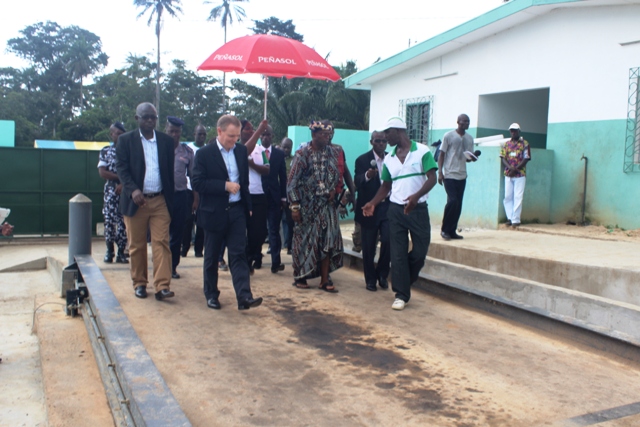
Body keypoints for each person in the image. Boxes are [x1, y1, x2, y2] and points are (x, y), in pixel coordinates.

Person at [362, 117, 438, 311]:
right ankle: (401, 294)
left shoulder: (422, 151)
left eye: (388, 133)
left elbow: (432, 178)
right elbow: (386, 186)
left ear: (398, 131)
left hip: (418, 209)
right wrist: (372, 203)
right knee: (397, 254)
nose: (385, 137)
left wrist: (417, 196)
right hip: (395, 210)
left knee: (420, 252)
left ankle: (405, 280)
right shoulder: (389, 159)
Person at [191, 115, 263, 311]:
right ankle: (212, 294)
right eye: (231, 136)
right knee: (212, 255)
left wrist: (247, 206)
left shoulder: (240, 151)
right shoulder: (205, 154)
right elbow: (197, 182)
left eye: (237, 136)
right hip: (214, 212)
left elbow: (244, 180)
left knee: (238, 254)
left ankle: (244, 297)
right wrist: (224, 186)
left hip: (237, 210)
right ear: (219, 131)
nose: (234, 140)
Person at [116, 102, 175, 301]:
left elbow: (168, 172)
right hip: (136, 202)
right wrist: (132, 190)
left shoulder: (166, 141)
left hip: (159, 200)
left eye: (153, 117)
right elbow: (121, 169)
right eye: (145, 117)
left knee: (161, 242)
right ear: (137, 119)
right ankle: (140, 283)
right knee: (137, 245)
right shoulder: (126, 140)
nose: (150, 120)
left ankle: (162, 286)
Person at [288, 121, 343, 292]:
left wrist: (334, 189)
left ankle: (324, 280)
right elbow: (292, 182)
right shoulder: (302, 154)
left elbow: (337, 174)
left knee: (328, 241)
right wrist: (295, 206)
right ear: (313, 135)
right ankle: (301, 275)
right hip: (307, 206)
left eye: (328, 134)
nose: (327, 137)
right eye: (323, 134)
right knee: (304, 241)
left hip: (327, 205)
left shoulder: (334, 152)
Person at [354, 131, 390, 292]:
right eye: (378, 141)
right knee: (368, 246)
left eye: (383, 141)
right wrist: (368, 175)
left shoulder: (392, 159)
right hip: (368, 207)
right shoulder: (362, 160)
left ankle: (382, 274)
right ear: (372, 142)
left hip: (387, 207)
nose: (381, 144)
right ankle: (370, 279)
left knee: (389, 240)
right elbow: (357, 181)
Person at [438, 114, 476, 240]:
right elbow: (442, 154)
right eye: (464, 121)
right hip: (449, 174)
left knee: (458, 204)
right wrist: (440, 172)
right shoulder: (448, 136)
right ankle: (444, 230)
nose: (467, 123)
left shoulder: (469, 138)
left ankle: (452, 231)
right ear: (458, 122)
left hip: (462, 175)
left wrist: (473, 158)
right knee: (452, 201)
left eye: (468, 121)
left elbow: (468, 159)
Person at [166, 116, 194, 279]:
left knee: (177, 233)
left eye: (177, 132)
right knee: (162, 234)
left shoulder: (187, 152)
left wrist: (195, 199)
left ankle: (173, 266)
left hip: (181, 195)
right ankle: (161, 265)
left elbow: (193, 176)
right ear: (166, 130)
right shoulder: (160, 148)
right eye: (171, 131)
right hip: (162, 196)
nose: (174, 135)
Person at [98, 122, 128, 264]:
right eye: (118, 134)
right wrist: (120, 178)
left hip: (126, 190)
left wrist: (124, 183)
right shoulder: (105, 151)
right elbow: (103, 172)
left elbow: (134, 171)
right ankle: (109, 250)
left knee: (124, 223)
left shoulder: (130, 151)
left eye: (123, 134)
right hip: (111, 190)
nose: (120, 137)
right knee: (109, 222)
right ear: (112, 134)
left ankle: (121, 252)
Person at [259, 125, 287, 273]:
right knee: (258, 230)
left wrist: (283, 197)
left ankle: (276, 262)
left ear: (272, 136)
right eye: (263, 135)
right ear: (259, 137)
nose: (265, 137)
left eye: (268, 135)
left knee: (274, 230)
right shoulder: (254, 152)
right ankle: (256, 259)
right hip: (258, 196)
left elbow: (283, 177)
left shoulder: (278, 154)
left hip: (274, 197)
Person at [243, 119, 270, 273]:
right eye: (247, 129)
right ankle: (244, 262)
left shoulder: (260, 149)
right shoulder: (237, 147)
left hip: (258, 195)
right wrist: (260, 130)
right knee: (243, 231)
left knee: (259, 232)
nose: (251, 131)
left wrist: (252, 165)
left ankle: (251, 256)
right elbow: (243, 152)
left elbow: (267, 169)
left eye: (253, 129)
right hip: (243, 195)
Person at [181, 124, 206, 258]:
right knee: (187, 220)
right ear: (194, 134)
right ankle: (184, 248)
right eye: (199, 134)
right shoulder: (187, 149)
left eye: (204, 134)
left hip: (202, 190)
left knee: (201, 222)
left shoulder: (208, 149)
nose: (201, 136)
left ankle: (198, 250)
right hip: (188, 189)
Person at [500, 123, 531, 228]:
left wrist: (516, 169)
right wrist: (510, 168)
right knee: (507, 197)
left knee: (518, 196)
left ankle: (516, 220)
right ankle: (510, 217)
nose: (513, 132)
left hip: (520, 175)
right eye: (511, 131)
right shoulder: (506, 144)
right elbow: (503, 158)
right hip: (508, 174)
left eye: (515, 130)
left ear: (519, 131)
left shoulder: (525, 144)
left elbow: (526, 158)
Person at [280, 137, 294, 255]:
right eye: (284, 147)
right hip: (276, 191)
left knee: (289, 220)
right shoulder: (275, 157)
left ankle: (289, 246)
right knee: (274, 221)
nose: (286, 149)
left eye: (288, 147)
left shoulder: (294, 160)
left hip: (289, 192)